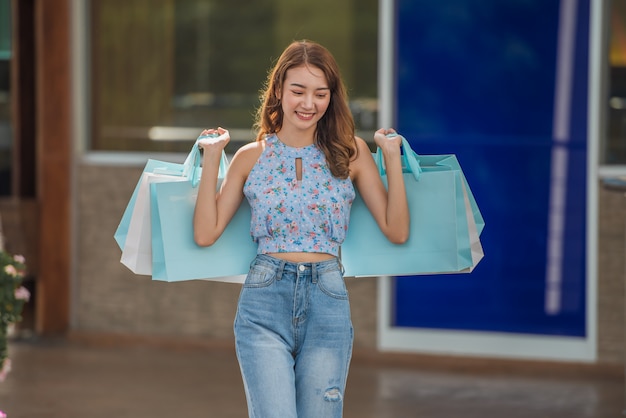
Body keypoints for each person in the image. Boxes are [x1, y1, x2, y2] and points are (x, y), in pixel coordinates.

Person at [193, 40, 409, 418]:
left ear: (331, 97)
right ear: (278, 90)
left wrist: (391, 157)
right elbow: (205, 233)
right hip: (263, 302)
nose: (308, 103)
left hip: (327, 302)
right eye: (298, 91)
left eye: (320, 93)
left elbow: (397, 230)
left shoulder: (350, 152)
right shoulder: (251, 156)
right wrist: (213, 156)